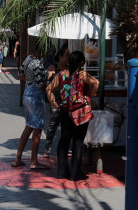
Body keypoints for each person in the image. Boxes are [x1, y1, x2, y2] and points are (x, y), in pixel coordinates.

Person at [46, 51, 99, 180]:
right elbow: (96, 83)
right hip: (80, 111)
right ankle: (76, 173)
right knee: (78, 141)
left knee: (64, 139)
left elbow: (49, 89)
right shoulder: (82, 75)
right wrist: (90, 96)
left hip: (65, 111)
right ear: (81, 63)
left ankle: (62, 171)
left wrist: (54, 103)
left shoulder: (62, 74)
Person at [11, 49, 49, 170]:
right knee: (37, 129)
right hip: (35, 95)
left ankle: (18, 158)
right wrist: (49, 79)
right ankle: (34, 161)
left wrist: (29, 79)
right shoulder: (37, 63)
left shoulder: (28, 59)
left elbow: (20, 75)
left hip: (27, 92)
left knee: (28, 127)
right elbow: (40, 84)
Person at [43, 43, 70, 158]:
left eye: (69, 55)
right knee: (53, 125)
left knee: (66, 127)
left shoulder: (70, 70)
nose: (68, 57)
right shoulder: (52, 68)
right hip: (55, 101)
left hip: (66, 102)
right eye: (66, 55)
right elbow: (46, 85)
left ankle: (66, 148)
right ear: (60, 57)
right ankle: (47, 148)